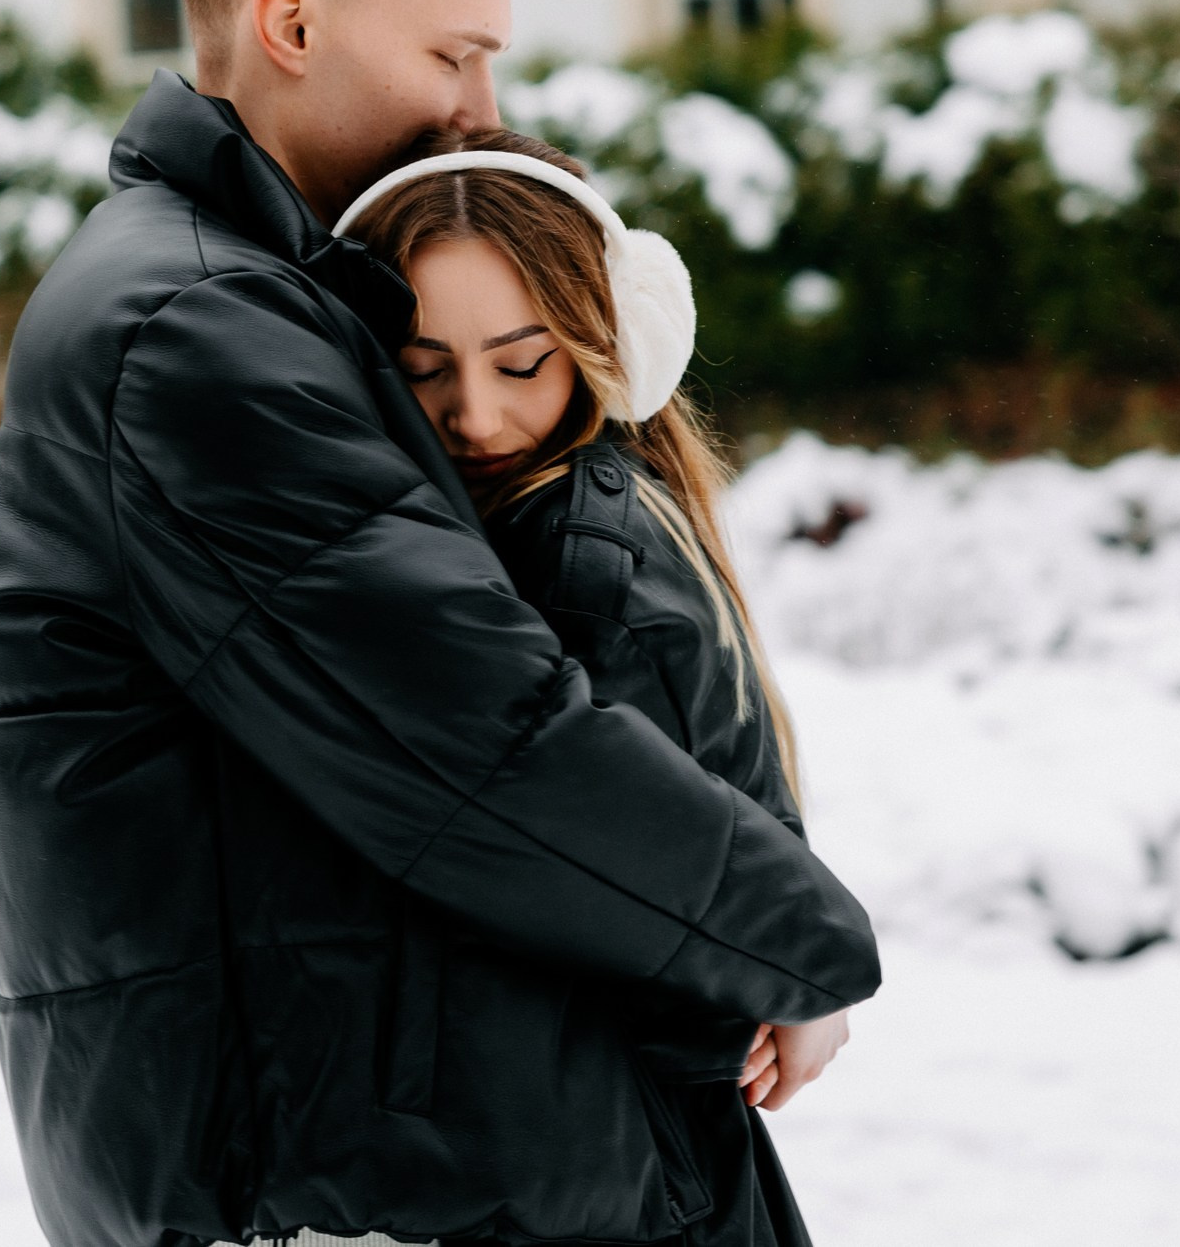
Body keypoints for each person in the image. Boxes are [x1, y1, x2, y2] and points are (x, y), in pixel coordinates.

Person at [0, 0, 880, 1247]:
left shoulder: (238, 288)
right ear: (291, 22)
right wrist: (802, 942)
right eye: (455, 52)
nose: (479, 111)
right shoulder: (200, 324)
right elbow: (476, 741)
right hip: (292, 1182)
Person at [335, 126, 848, 1244]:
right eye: (423, 369)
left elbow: (642, 895)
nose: (475, 414)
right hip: (633, 1163)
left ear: (608, 338)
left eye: (521, 363)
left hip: (611, 1175)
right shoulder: (594, 514)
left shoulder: (573, 567)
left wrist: (789, 965)